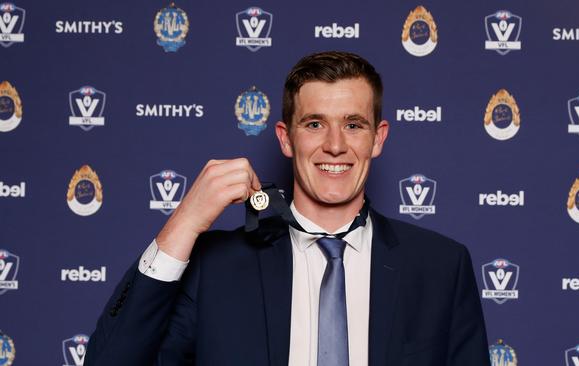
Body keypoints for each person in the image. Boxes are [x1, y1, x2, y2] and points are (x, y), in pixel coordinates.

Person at [86, 51, 490, 366]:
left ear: (378, 138)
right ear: (285, 138)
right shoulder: (216, 269)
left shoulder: (441, 267)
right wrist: (185, 222)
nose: (335, 144)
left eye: (353, 124)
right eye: (315, 124)